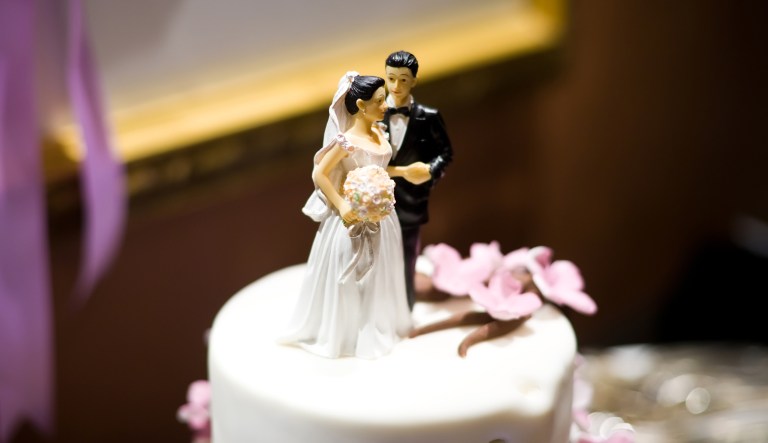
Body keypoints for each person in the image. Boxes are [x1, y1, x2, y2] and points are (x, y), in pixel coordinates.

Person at [280, 72, 423, 359]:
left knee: (381, 273)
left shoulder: (379, 132)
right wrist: (342, 205)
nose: (386, 105)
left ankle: (377, 324)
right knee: (351, 275)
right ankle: (346, 333)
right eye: (380, 101)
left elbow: (380, 168)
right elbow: (320, 173)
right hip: (352, 218)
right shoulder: (345, 141)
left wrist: (404, 172)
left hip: (383, 216)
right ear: (360, 104)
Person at [383, 50, 453, 309]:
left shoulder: (429, 117)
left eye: (403, 79)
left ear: (414, 81)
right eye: (391, 78)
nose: (396, 86)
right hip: (376, 203)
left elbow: (446, 153)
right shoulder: (372, 114)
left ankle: (405, 311)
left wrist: (430, 170)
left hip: (412, 202)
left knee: (407, 259)